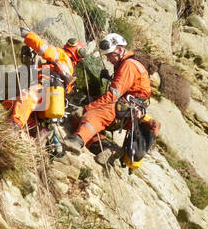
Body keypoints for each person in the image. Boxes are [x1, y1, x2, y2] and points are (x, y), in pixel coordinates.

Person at [62, 33, 160, 161]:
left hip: (124, 108)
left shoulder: (129, 66)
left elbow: (113, 95)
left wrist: (86, 108)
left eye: (109, 54)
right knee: (80, 121)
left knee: (94, 115)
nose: (108, 59)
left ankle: (77, 140)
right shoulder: (129, 64)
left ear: (119, 50)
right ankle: (107, 148)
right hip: (129, 109)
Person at [4, 32, 85, 130]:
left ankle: (15, 124)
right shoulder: (72, 72)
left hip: (45, 87)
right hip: (53, 101)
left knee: (28, 97)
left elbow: (45, 50)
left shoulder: (62, 55)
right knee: (18, 104)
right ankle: (24, 125)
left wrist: (29, 35)